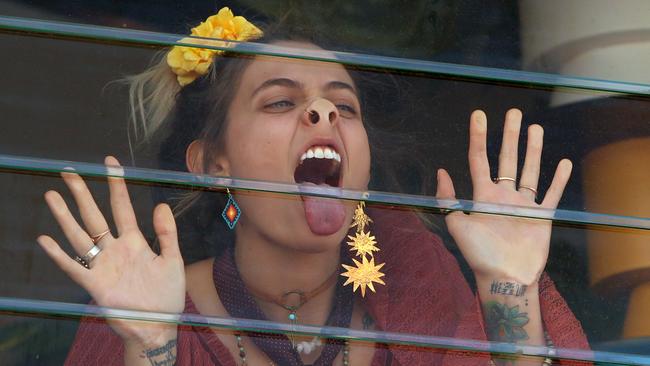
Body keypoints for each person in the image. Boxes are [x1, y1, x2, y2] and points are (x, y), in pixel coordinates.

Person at [36, 7, 589, 366]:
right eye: (280, 101)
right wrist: (152, 346)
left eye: (343, 105)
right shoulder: (143, 308)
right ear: (212, 165)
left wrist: (506, 284)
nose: (324, 112)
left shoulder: (423, 290)